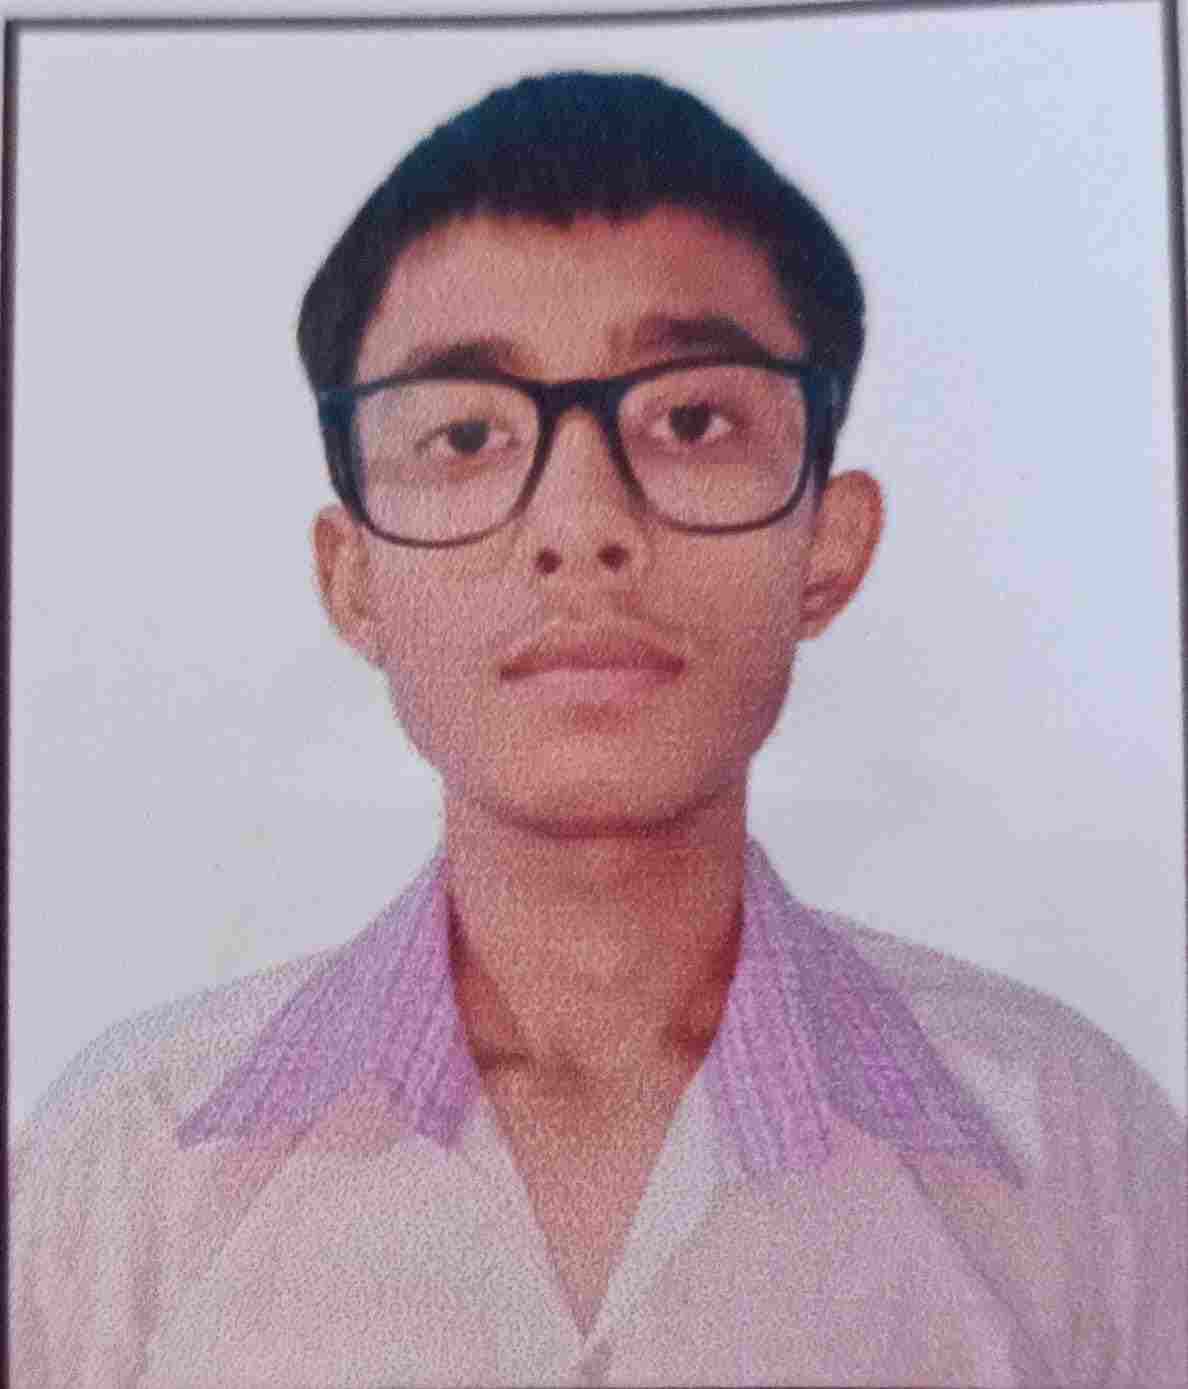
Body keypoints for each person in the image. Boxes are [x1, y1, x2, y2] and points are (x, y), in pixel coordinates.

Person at [10, 70, 1186, 1388]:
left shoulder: (1076, 1163)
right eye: (466, 433)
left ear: (830, 546)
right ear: (353, 579)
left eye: (689, 419)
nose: (580, 526)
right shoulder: (120, 1175)